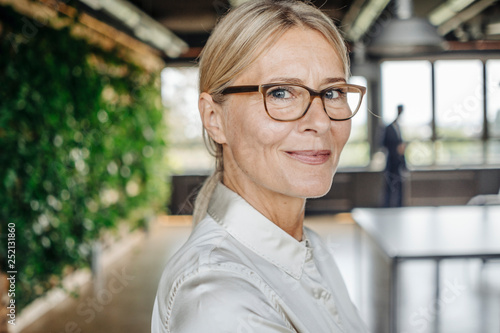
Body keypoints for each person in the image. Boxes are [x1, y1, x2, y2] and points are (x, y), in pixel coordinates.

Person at [151, 1, 369, 332]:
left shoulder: (312, 250)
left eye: (333, 92)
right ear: (214, 119)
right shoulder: (219, 300)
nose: (320, 121)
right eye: (281, 93)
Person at [382, 104, 406, 207]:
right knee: (389, 186)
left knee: (400, 186)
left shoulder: (399, 128)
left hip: (399, 162)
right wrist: (396, 149)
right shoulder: (389, 128)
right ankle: (387, 206)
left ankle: (400, 206)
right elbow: (383, 143)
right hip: (391, 162)